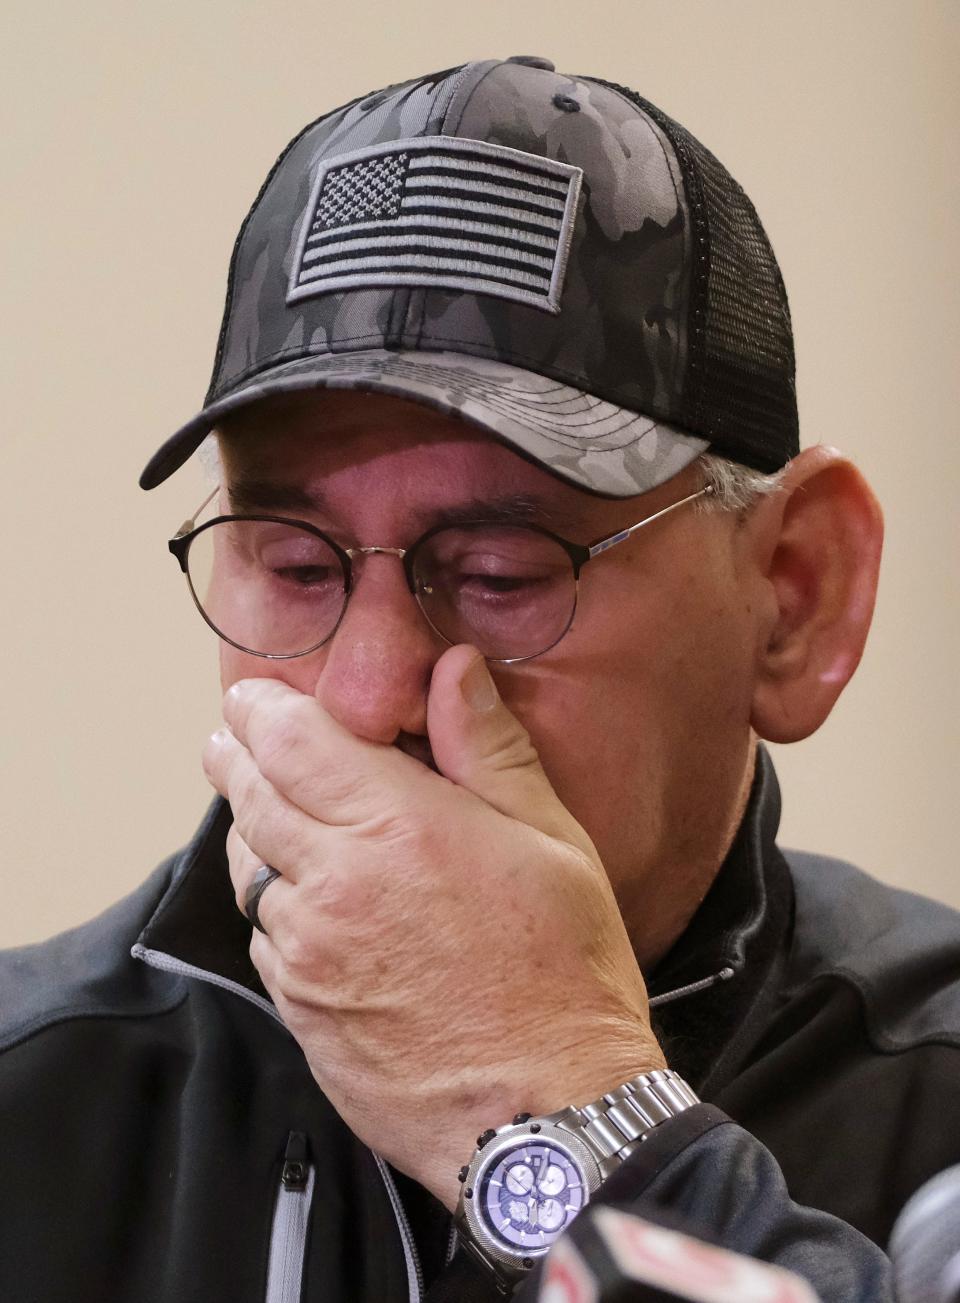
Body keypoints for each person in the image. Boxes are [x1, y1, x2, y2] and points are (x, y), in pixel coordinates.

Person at [2, 55, 958, 1303]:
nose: (364, 695)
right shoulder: (32, 1101)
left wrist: (563, 1104)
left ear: (793, 594)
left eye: (503, 573)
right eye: (295, 566)